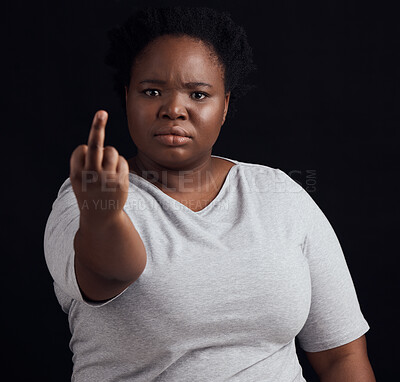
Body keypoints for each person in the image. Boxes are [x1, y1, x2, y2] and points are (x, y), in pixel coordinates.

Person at [43, 6, 375, 382]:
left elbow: (341, 356)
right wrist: (103, 214)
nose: (173, 109)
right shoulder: (84, 198)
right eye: (152, 91)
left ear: (225, 106)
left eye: (198, 94)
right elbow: (110, 274)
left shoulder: (280, 195)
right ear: (128, 97)